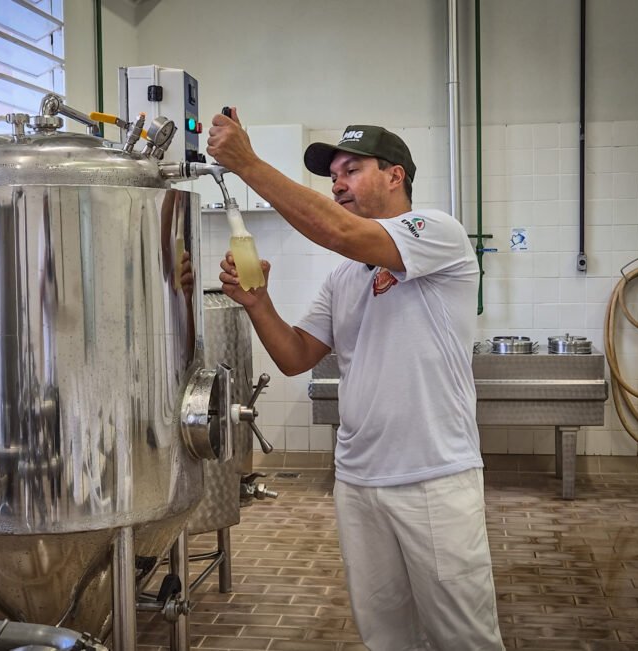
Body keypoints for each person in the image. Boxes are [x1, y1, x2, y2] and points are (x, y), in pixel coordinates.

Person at [207, 109, 504, 651]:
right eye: (333, 175)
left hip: (433, 477)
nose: (337, 184)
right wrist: (258, 304)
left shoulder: (437, 232)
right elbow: (296, 356)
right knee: (384, 637)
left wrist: (248, 164)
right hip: (359, 480)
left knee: (465, 638)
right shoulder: (344, 276)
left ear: (395, 175)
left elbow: (341, 232)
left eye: (351, 170)